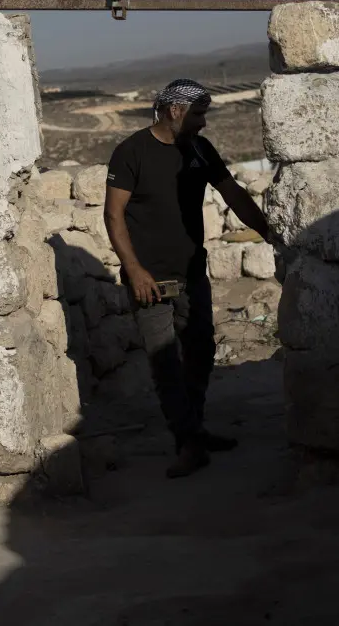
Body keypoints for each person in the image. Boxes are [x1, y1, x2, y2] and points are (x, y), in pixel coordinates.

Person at [103, 78, 277, 478]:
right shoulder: (131, 152)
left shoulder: (200, 149)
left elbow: (233, 194)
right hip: (149, 280)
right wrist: (134, 270)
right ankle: (187, 442)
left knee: (200, 354)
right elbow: (114, 215)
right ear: (175, 111)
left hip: (192, 273)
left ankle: (193, 430)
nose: (203, 123)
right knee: (165, 363)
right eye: (198, 114)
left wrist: (270, 234)